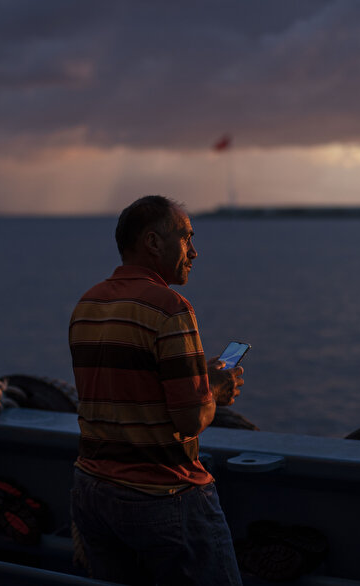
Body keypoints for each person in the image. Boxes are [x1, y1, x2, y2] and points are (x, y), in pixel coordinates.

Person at [69, 195, 245, 585]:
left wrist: (198, 378)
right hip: (160, 493)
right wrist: (213, 388)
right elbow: (190, 419)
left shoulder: (87, 303)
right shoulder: (170, 308)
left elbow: (127, 388)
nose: (194, 252)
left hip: (92, 491)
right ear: (152, 242)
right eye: (186, 238)